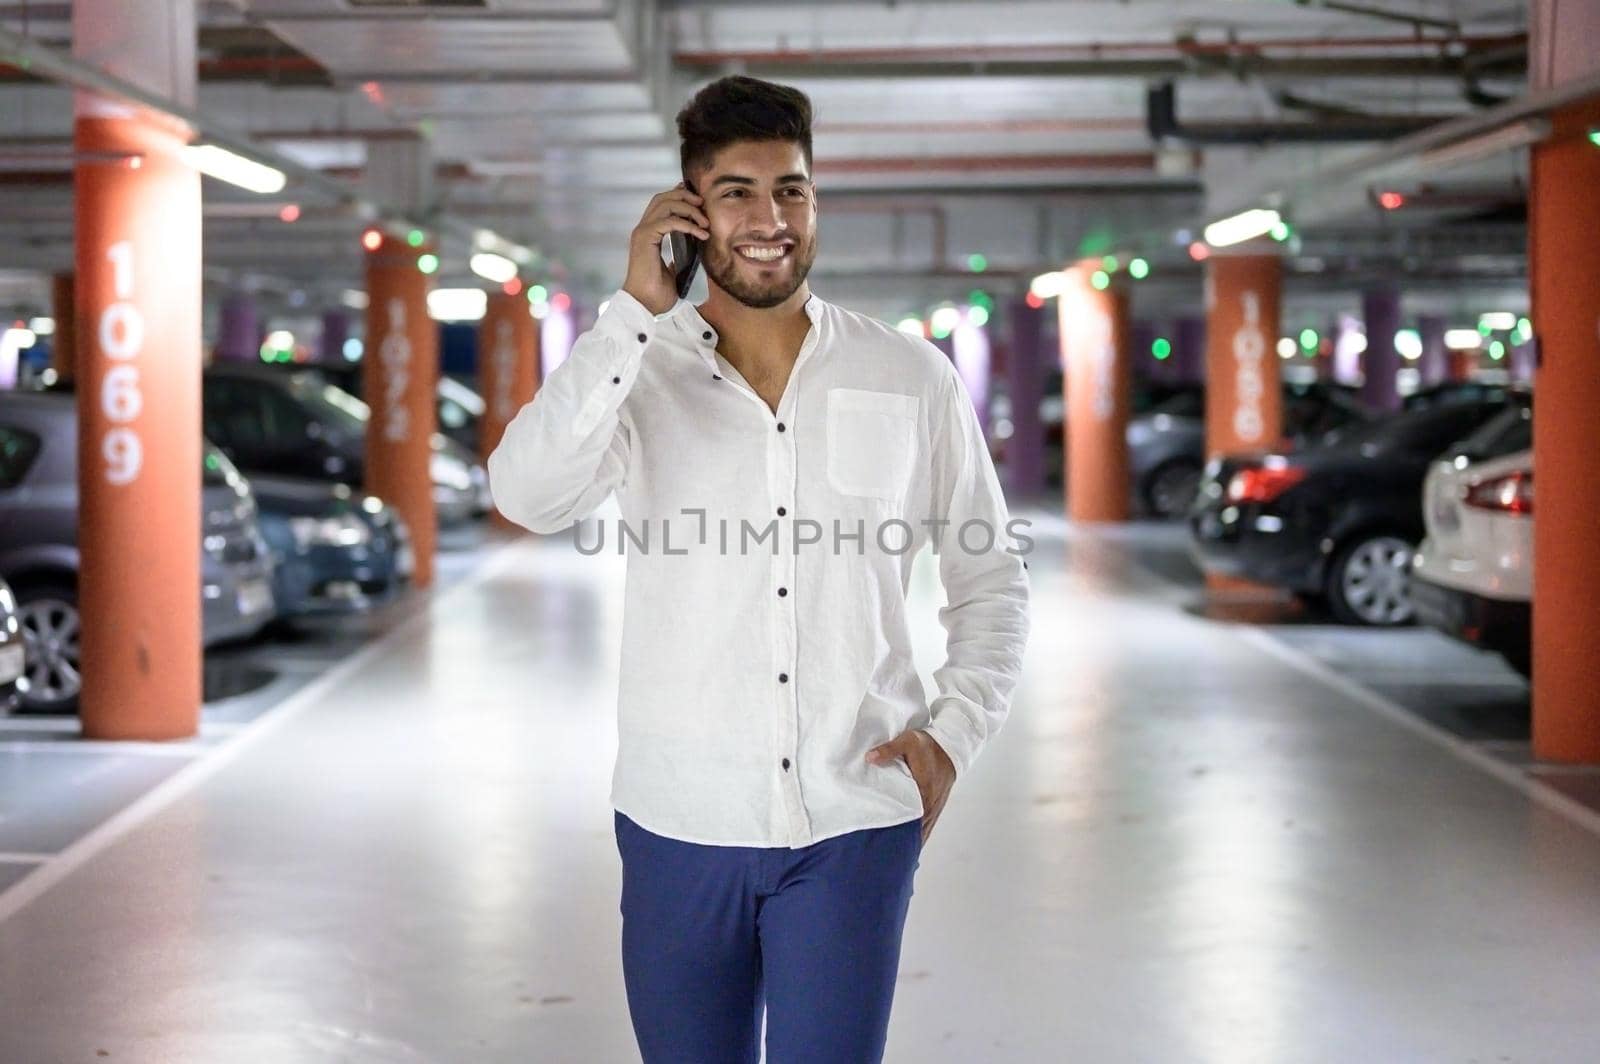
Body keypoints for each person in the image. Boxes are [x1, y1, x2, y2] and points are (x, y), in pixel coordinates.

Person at [487, 74, 1030, 1063]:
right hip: (675, 822)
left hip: (852, 824)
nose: (768, 216)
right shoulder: (633, 374)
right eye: (736, 190)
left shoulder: (908, 375)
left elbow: (990, 581)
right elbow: (525, 493)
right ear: (690, 212)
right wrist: (630, 314)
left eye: (791, 188)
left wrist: (951, 737)